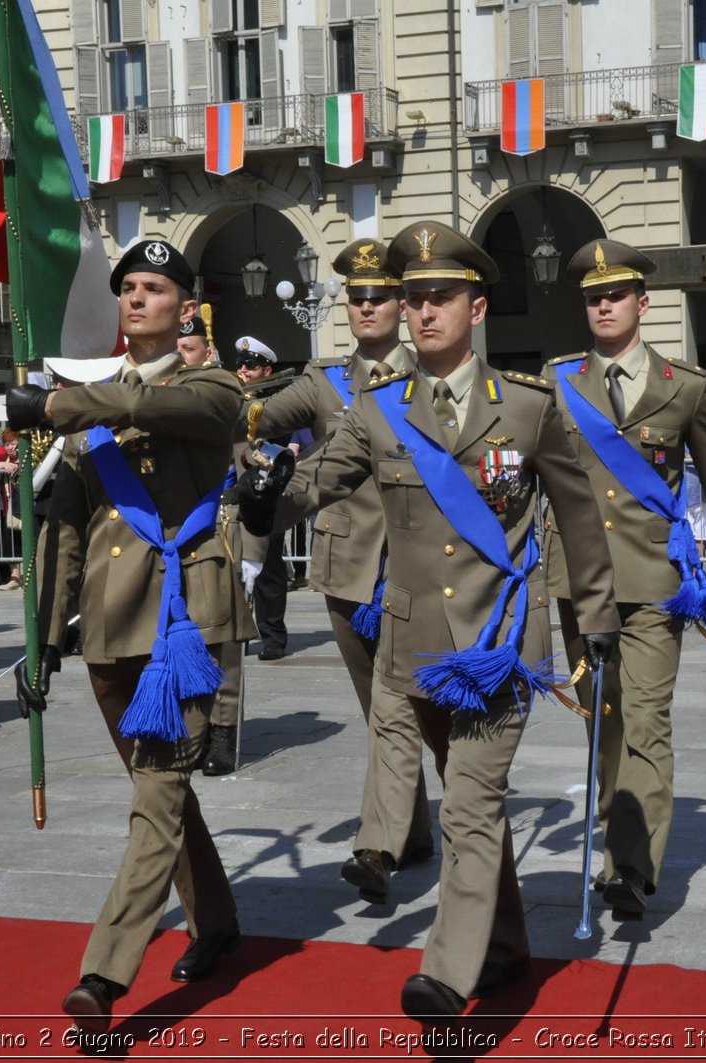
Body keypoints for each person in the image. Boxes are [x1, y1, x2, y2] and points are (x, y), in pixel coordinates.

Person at [239, 220, 620, 1021]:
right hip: (410, 649)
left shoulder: (527, 405)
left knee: (473, 804)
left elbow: (581, 516)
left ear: (477, 307)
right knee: (466, 797)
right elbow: (322, 480)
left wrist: (595, 617)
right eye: (412, 300)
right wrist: (271, 497)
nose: (422, 313)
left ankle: (446, 974)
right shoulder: (378, 411)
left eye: (439, 297)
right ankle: (508, 944)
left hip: (497, 644)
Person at [7, 239, 251, 1035]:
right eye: (129, 289)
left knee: (155, 798)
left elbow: (155, 408)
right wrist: (45, 635)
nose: (137, 299)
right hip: (113, 621)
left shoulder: (209, 385)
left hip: (183, 619)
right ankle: (214, 919)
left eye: (154, 288)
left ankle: (104, 974)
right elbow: (67, 526)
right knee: (164, 791)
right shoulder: (97, 398)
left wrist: (52, 406)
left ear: (187, 306)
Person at [541, 239, 706, 926]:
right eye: (593, 297)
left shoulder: (684, 385)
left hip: (654, 578)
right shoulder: (557, 379)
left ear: (641, 302)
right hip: (579, 580)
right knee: (606, 720)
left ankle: (633, 866)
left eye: (616, 294)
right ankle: (614, 848)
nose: (603, 305)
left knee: (647, 718)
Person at [246, 237, 435, 897]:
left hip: (416, 570)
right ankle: (409, 833)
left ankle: (381, 843)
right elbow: (257, 417)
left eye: (377, 296)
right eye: (355, 298)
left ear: (401, 303)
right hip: (349, 570)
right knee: (378, 709)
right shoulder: (325, 383)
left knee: (401, 708)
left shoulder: (435, 375)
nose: (364, 307)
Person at [232, 336, 293, 662]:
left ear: (266, 369)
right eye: (240, 363)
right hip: (232, 493)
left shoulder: (277, 400)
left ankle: (273, 636)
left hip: (264, 490)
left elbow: (278, 443)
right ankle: (239, 632)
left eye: (251, 365)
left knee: (268, 567)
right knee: (232, 564)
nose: (243, 369)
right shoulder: (232, 397)